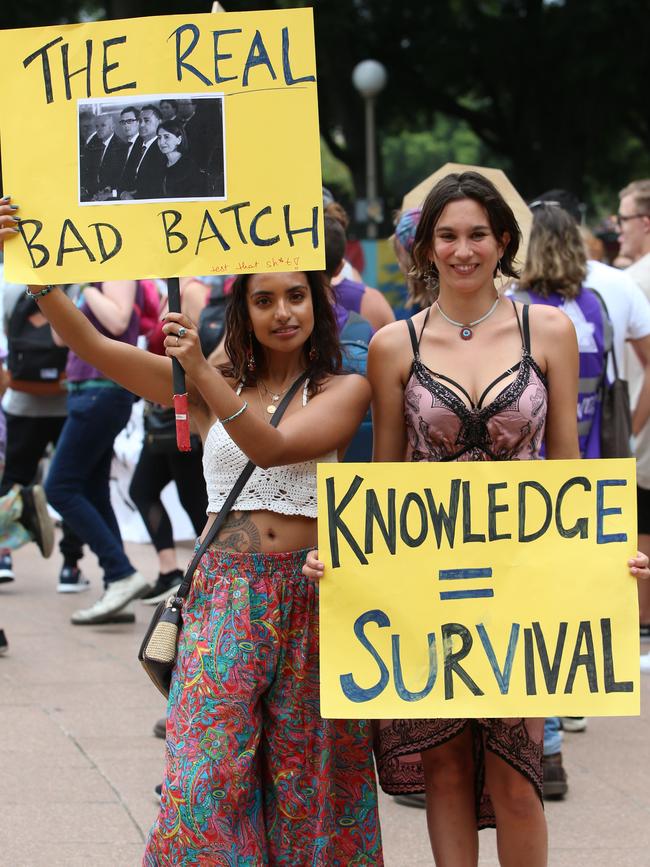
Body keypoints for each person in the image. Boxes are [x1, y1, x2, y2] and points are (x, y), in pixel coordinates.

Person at [305, 171, 649, 866]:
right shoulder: (393, 345)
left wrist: (606, 554)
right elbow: (389, 477)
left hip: (524, 591)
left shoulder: (546, 329)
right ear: (426, 247)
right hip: (428, 589)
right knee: (446, 773)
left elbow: (566, 469)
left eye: (477, 235)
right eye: (448, 235)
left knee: (519, 778)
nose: (463, 250)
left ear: (504, 242)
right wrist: (342, 553)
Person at [11, 257, 382, 862]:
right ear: (243, 311)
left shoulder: (344, 387)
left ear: (318, 304)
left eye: (296, 296)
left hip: (314, 597)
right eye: (264, 300)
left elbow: (273, 445)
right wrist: (37, 271)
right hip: (226, 595)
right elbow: (92, 344)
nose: (283, 312)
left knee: (307, 784)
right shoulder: (206, 384)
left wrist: (198, 371)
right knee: (200, 777)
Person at [512, 201, 612, 797]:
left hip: (536, 484)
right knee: (549, 610)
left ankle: (544, 737)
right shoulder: (592, 306)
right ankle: (555, 726)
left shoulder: (528, 319)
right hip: (580, 479)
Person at [44, 280, 150, 625]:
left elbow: (118, 321)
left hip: (102, 391)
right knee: (93, 491)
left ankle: (120, 573)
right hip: (87, 392)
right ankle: (117, 586)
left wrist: (88, 286)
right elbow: (62, 338)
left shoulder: (112, 274)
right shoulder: (82, 281)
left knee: (59, 487)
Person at [0, 278, 85, 590]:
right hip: (67, 400)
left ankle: (3, 554)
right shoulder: (77, 286)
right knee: (73, 485)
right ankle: (70, 567)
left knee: (12, 480)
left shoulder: (13, 287)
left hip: (23, 400)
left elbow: (6, 332)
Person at [131, 277, 209, 604]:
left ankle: (205, 578)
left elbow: (200, 354)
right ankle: (169, 571)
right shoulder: (169, 293)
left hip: (183, 415)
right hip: (164, 414)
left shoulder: (191, 291)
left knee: (195, 501)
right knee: (143, 489)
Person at [119, 105, 166, 200]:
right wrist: (122, 193)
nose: (141, 125)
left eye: (147, 120)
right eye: (140, 121)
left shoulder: (162, 149)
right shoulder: (137, 147)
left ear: (159, 122)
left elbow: (155, 189)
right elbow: (126, 179)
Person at [155, 120, 206, 198]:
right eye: (159, 137)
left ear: (179, 140)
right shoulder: (159, 164)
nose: (161, 142)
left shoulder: (189, 166)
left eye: (166, 137)